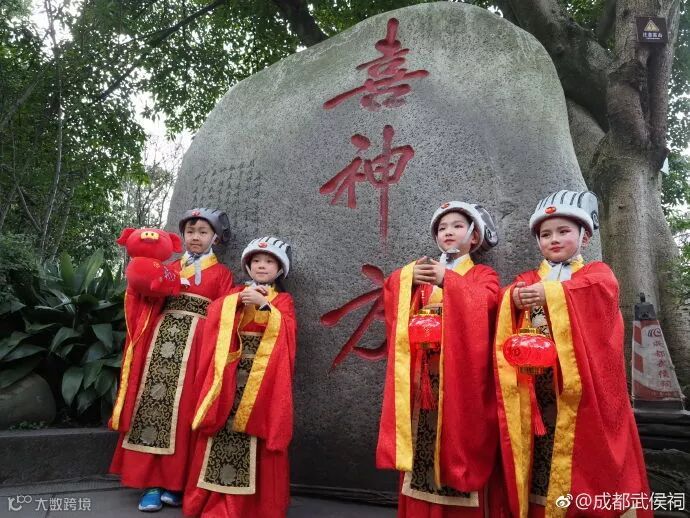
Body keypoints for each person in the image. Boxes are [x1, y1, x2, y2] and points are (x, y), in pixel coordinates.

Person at [494, 190, 651, 518]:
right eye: (545, 234)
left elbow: (599, 293)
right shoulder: (528, 279)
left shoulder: (597, 274)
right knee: (542, 457)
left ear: (585, 236)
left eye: (563, 231)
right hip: (538, 389)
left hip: (582, 393)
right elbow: (505, 297)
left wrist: (551, 293)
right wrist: (513, 299)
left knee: (586, 455)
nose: (553, 239)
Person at [377, 201, 506, 517]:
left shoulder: (482, 274)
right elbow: (395, 298)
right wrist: (405, 279)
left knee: (456, 443)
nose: (448, 232)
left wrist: (448, 281)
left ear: (474, 237)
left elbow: (488, 304)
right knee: (420, 446)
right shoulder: (423, 271)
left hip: (460, 382)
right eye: (442, 228)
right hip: (423, 379)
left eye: (457, 226)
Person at [110, 208, 234, 512]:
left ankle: (177, 484)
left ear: (215, 238)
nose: (195, 237)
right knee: (153, 407)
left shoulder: (222, 274)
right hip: (160, 346)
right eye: (190, 232)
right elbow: (146, 299)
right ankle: (150, 484)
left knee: (186, 412)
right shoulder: (169, 267)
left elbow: (226, 313)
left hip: (196, 349)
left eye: (203, 232)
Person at [183, 237, 297, 518]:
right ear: (247, 265)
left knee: (256, 434)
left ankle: (254, 507)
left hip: (262, 381)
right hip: (230, 376)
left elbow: (288, 332)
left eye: (269, 262)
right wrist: (236, 302)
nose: (262, 266)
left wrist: (265, 306)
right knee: (222, 429)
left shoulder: (283, 300)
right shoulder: (234, 293)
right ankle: (213, 502)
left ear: (280, 270)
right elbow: (214, 315)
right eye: (256, 261)